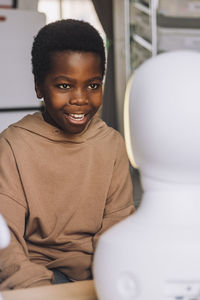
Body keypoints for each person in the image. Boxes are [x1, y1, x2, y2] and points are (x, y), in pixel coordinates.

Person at [0, 19, 134, 290]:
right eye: (64, 86)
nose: (80, 99)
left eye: (93, 85)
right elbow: (7, 246)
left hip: (100, 273)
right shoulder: (13, 146)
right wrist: (44, 289)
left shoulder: (112, 144)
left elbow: (118, 228)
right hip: (35, 275)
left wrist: (111, 278)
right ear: (39, 87)